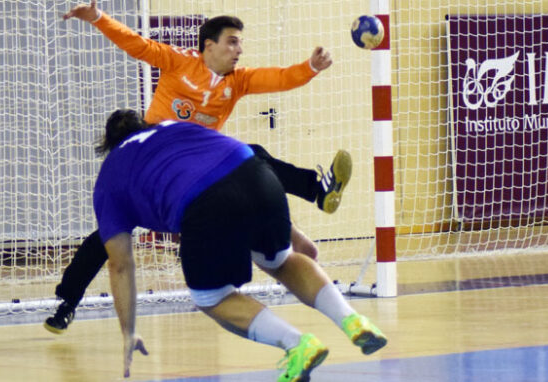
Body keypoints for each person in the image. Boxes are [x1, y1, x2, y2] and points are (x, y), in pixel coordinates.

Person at [44, 0, 352, 333]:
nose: (239, 50)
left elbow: (279, 78)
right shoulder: (177, 62)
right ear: (209, 45)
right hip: (156, 168)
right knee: (106, 237)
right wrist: (98, 18)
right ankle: (67, 303)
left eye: (241, 43)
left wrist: (311, 66)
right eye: (232, 42)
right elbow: (136, 44)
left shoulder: (239, 81)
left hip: (201, 176)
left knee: (252, 157)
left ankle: (316, 198)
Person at [93, 109, 386, 381]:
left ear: (108, 146)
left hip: (204, 203)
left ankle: (297, 344)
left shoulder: (109, 177)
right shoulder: (174, 127)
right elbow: (236, 167)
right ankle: (352, 319)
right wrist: (294, 236)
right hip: (256, 173)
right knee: (281, 261)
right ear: (145, 126)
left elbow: (120, 264)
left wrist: (128, 331)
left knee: (212, 297)